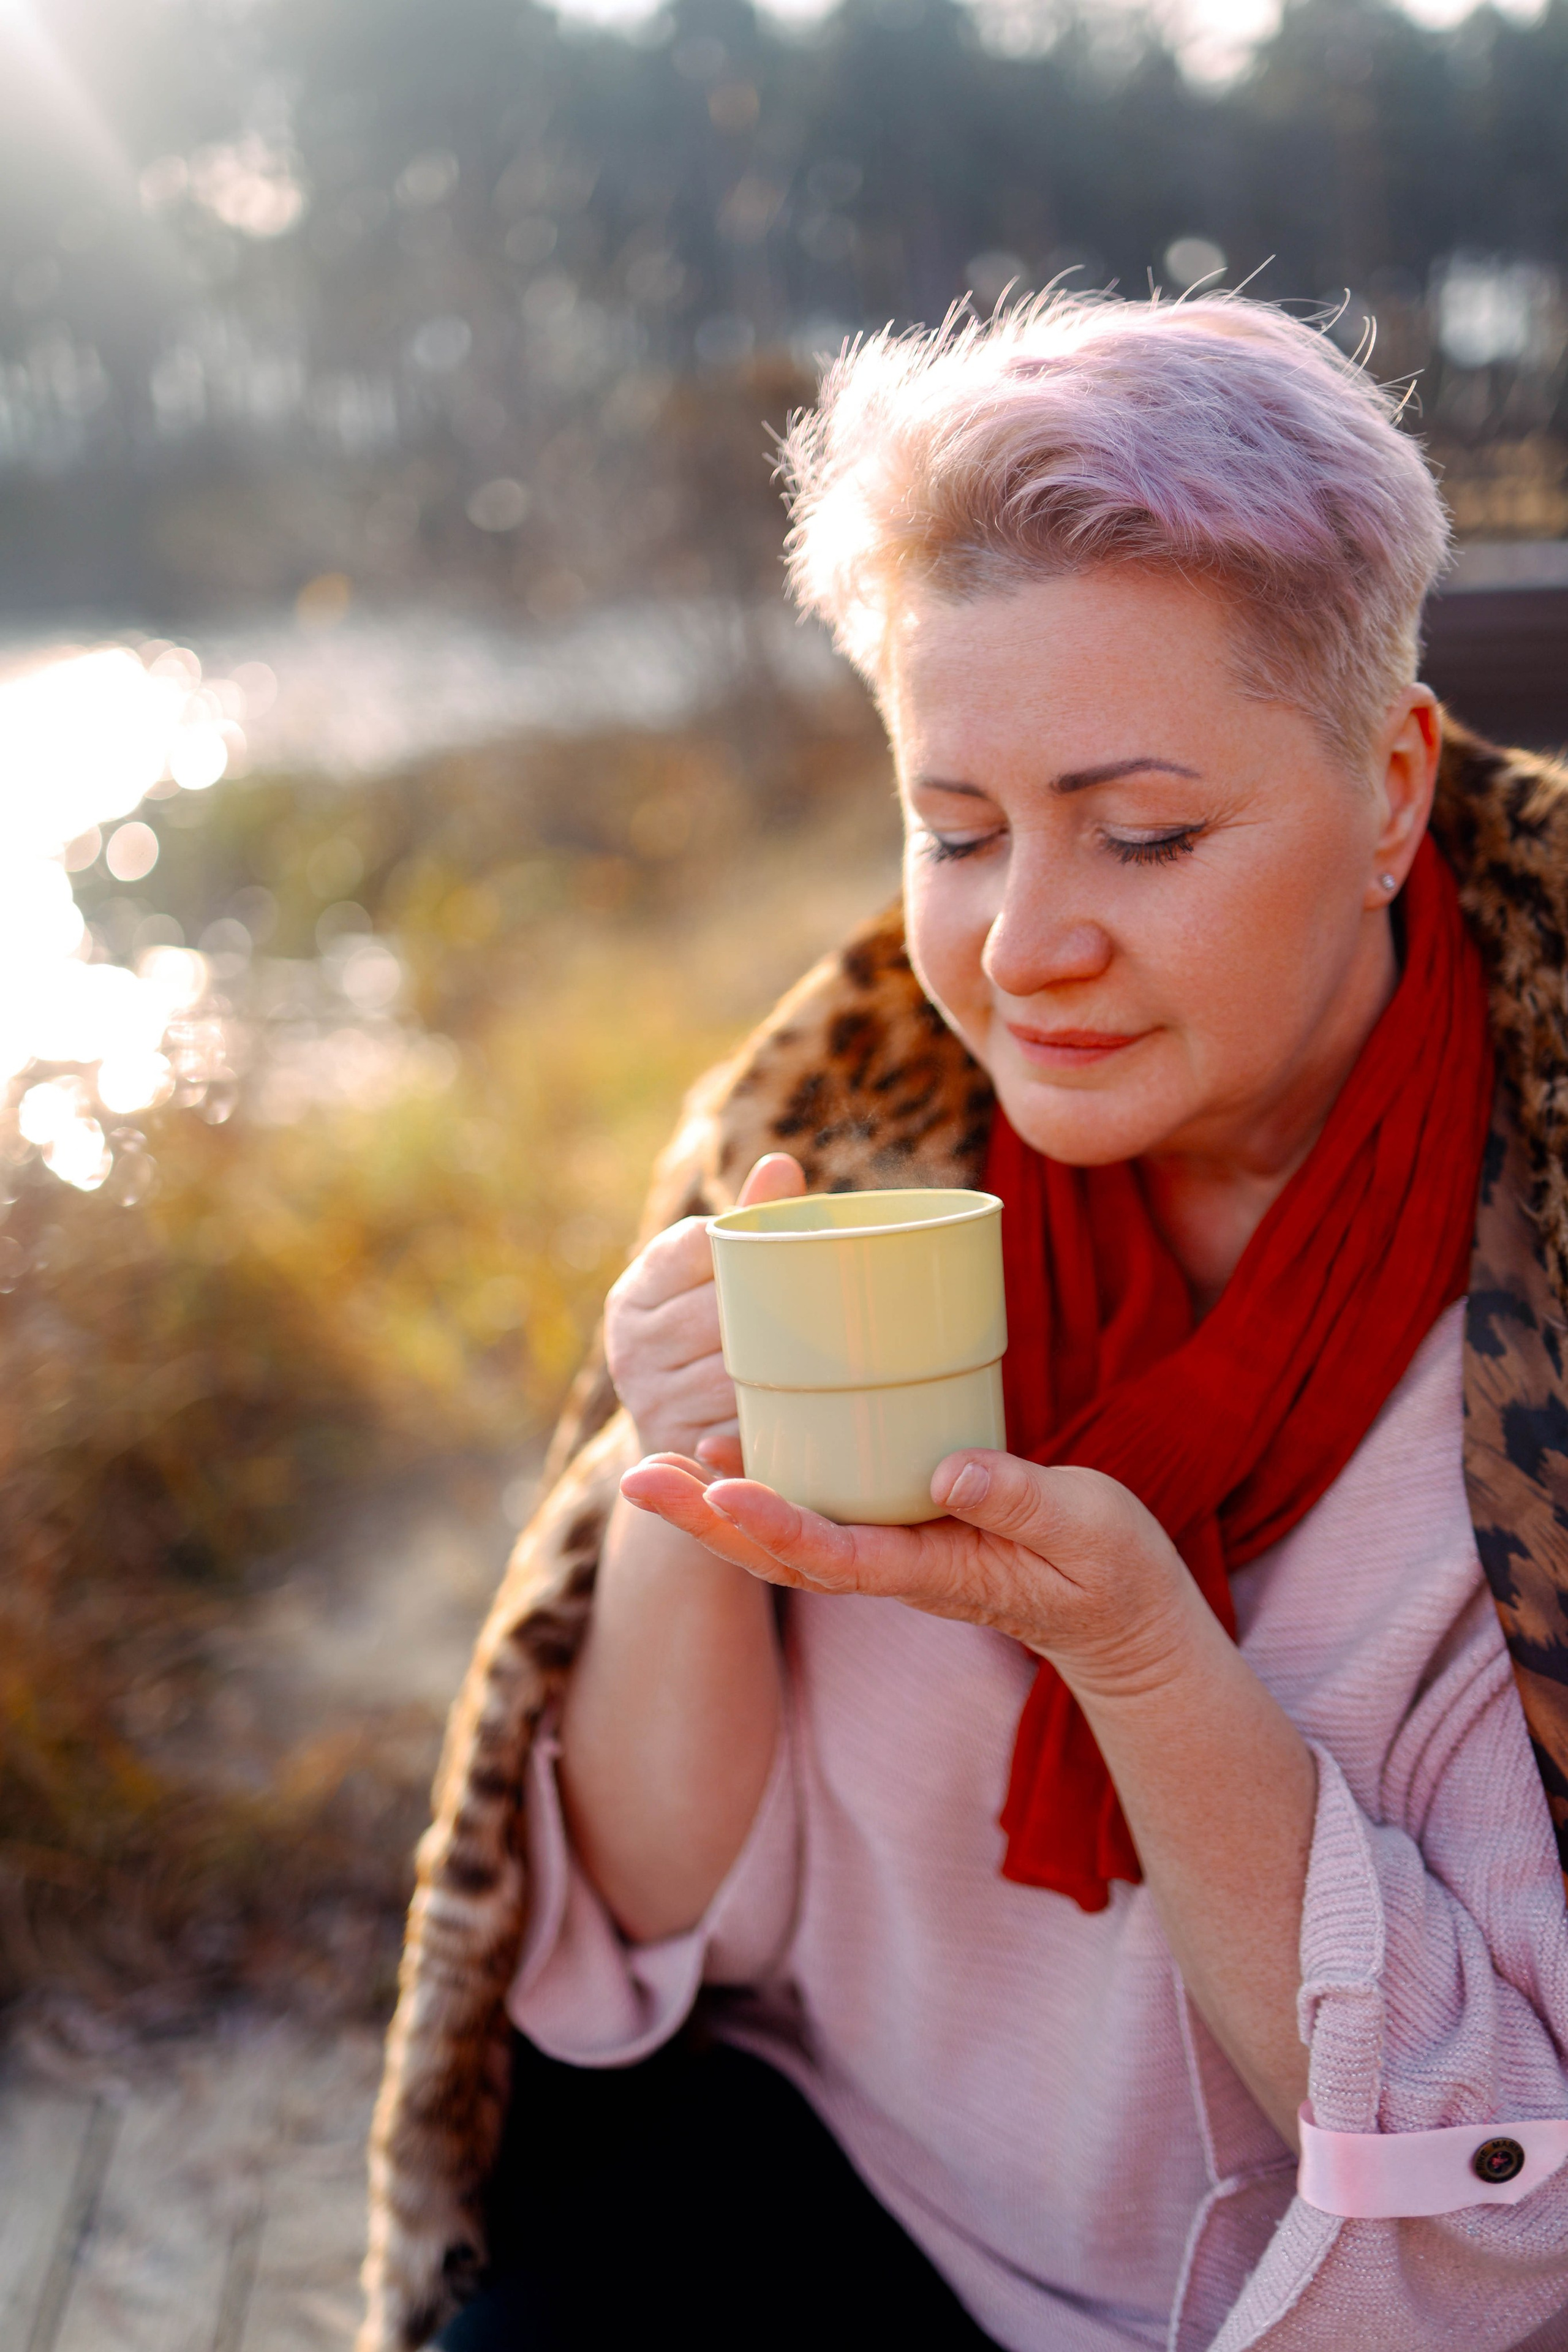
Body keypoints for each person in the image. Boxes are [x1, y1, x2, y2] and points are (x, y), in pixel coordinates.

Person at [359, 295, 1568, 2352]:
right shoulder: (840, 1163)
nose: (1026, 950)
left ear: (1388, 793)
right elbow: (656, 1936)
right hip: (829, 2218)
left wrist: (1137, 1653)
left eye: (1147, 833)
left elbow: (1512, 2211)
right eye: (957, 829)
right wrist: (681, 1496)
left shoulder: (1524, 1297)